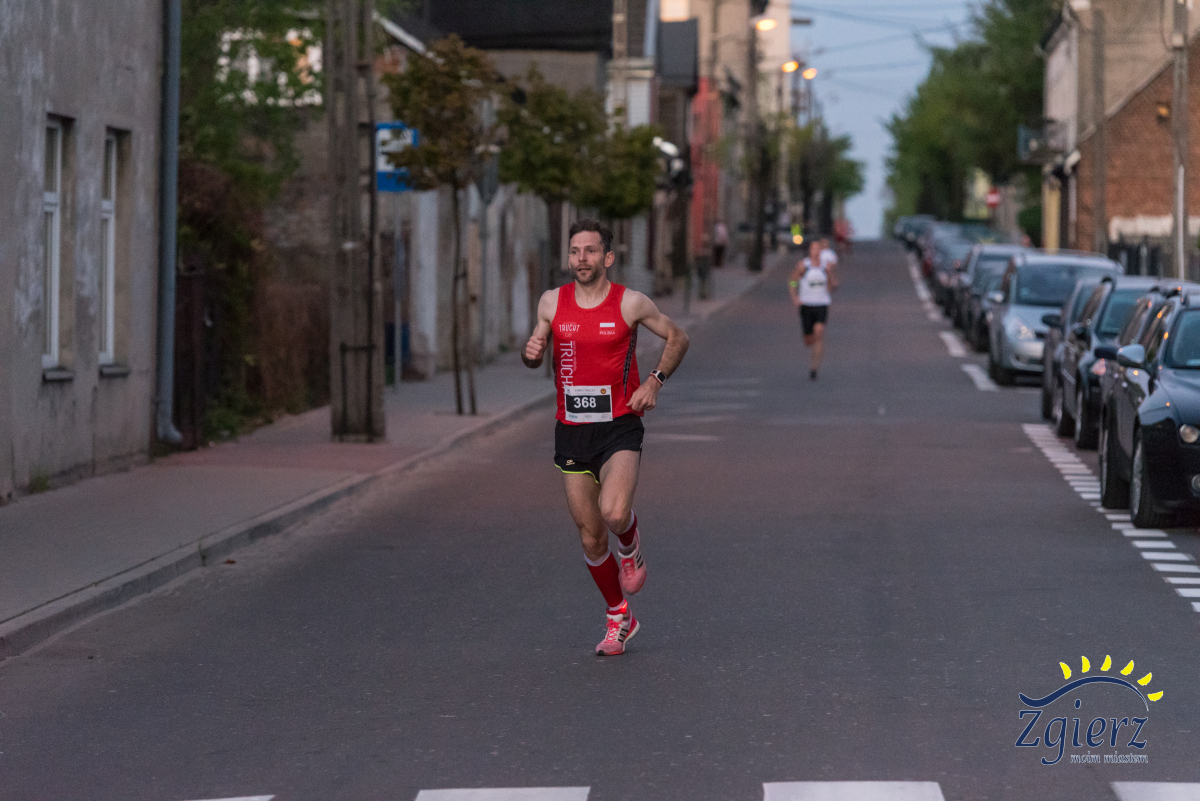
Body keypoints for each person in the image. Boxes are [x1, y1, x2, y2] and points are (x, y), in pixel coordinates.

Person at [523, 219, 690, 656]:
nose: (582, 259)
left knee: (614, 513)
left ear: (608, 257)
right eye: (575, 251)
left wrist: (653, 382)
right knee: (591, 537)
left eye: (591, 251)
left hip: (619, 424)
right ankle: (620, 616)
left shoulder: (630, 303)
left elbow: (678, 336)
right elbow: (536, 349)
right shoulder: (551, 301)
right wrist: (531, 352)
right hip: (571, 429)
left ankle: (630, 545)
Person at [789, 239, 838, 380]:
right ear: (810, 251)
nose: (816, 252)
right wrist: (795, 296)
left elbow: (833, 286)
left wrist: (829, 275)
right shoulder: (803, 265)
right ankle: (810, 340)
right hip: (806, 305)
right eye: (813, 249)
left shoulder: (825, 267)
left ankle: (814, 368)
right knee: (808, 340)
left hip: (821, 304)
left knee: (819, 333)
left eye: (818, 249)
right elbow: (793, 281)